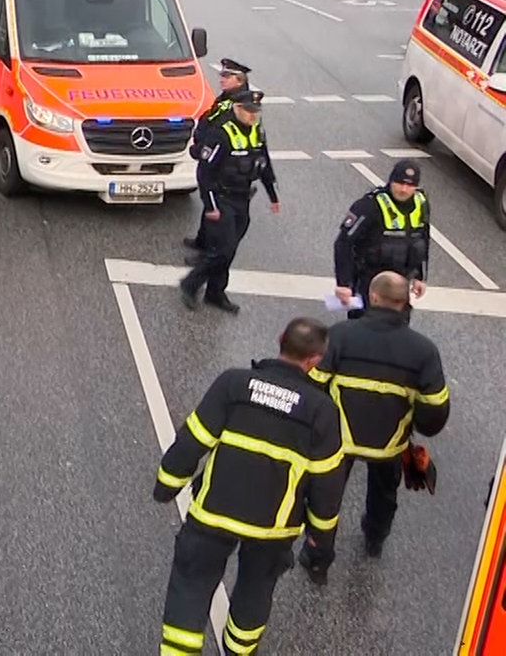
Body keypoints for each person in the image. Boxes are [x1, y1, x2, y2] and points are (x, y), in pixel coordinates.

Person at [155, 316, 344, 656]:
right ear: (315, 361)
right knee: (256, 589)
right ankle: (239, 650)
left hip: (214, 513)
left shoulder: (234, 384)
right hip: (273, 529)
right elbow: (327, 484)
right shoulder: (321, 411)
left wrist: (168, 482)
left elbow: (195, 437)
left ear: (279, 338)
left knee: (191, 584)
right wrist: (321, 537)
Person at [297, 270, 449, 582]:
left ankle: (318, 558)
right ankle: (374, 538)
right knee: (384, 493)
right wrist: (413, 427)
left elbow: (313, 387)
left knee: (327, 500)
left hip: (340, 443)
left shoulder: (340, 335)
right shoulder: (423, 350)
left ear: (373, 297)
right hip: (389, 446)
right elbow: (435, 410)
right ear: (405, 302)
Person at [179, 91, 280, 314]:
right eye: (248, 111)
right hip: (222, 198)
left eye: (255, 112)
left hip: (242, 199)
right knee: (222, 250)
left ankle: (215, 292)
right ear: (237, 109)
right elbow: (205, 173)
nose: (252, 116)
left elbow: (263, 163)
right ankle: (190, 284)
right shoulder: (221, 134)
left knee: (230, 250)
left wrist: (273, 195)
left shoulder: (256, 132)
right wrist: (211, 205)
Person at [332, 160, 430, 319]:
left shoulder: (421, 203)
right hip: (370, 282)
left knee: (397, 330)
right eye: (399, 183)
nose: (404, 190)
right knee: (364, 331)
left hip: (400, 283)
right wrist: (344, 283)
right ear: (391, 180)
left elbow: (422, 238)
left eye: (410, 185)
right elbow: (344, 242)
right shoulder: (370, 204)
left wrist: (421, 277)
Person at [183, 58, 252, 253]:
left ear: (238, 80)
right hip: (216, 160)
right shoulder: (229, 97)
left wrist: (202, 150)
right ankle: (202, 241)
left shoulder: (238, 105)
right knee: (209, 204)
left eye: (226, 76)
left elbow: (219, 133)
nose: (221, 79)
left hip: (223, 165)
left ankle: (207, 255)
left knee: (216, 210)